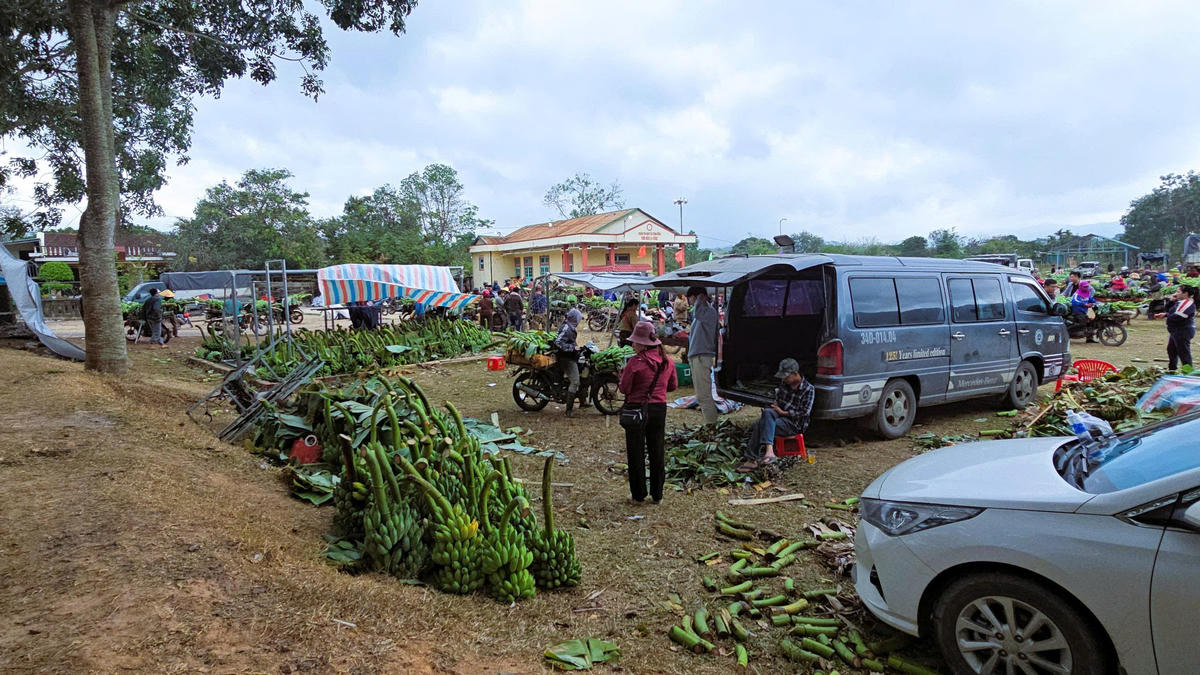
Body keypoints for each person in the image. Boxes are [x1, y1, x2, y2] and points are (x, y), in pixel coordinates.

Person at [617, 321, 678, 503]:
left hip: (637, 410)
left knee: (636, 452)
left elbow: (625, 389)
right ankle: (657, 495)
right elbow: (673, 386)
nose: (633, 345)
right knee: (657, 451)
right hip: (659, 409)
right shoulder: (667, 362)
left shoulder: (635, 363)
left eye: (635, 342)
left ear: (643, 344)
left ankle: (638, 494)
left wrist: (621, 377)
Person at [737, 358, 814, 472]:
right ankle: (769, 451)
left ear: (795, 374)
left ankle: (751, 459)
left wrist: (783, 413)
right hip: (779, 417)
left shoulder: (808, 389)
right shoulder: (784, 384)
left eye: (786, 376)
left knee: (761, 423)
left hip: (794, 424)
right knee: (767, 413)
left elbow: (804, 413)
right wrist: (773, 407)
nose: (784, 379)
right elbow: (778, 401)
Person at [686, 286, 720, 425]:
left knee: (704, 395)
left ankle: (711, 426)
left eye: (691, 297)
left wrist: (701, 298)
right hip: (697, 356)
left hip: (702, 356)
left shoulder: (709, 312)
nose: (690, 301)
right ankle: (710, 424)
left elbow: (698, 314)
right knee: (701, 395)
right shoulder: (704, 312)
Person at [1155, 285, 1196, 370]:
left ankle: (1188, 373)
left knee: (1183, 353)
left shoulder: (1187, 303)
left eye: (1178, 292)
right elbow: (1168, 310)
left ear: (1185, 293)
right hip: (1175, 331)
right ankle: (1172, 370)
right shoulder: (1179, 302)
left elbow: (1177, 317)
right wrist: (1171, 301)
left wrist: (1166, 316)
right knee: (1171, 350)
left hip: (1183, 331)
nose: (1176, 293)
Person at [554, 308, 584, 417]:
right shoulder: (567, 328)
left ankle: (583, 401)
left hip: (570, 356)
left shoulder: (570, 327)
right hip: (565, 358)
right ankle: (569, 410)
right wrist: (571, 348)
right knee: (575, 381)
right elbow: (558, 342)